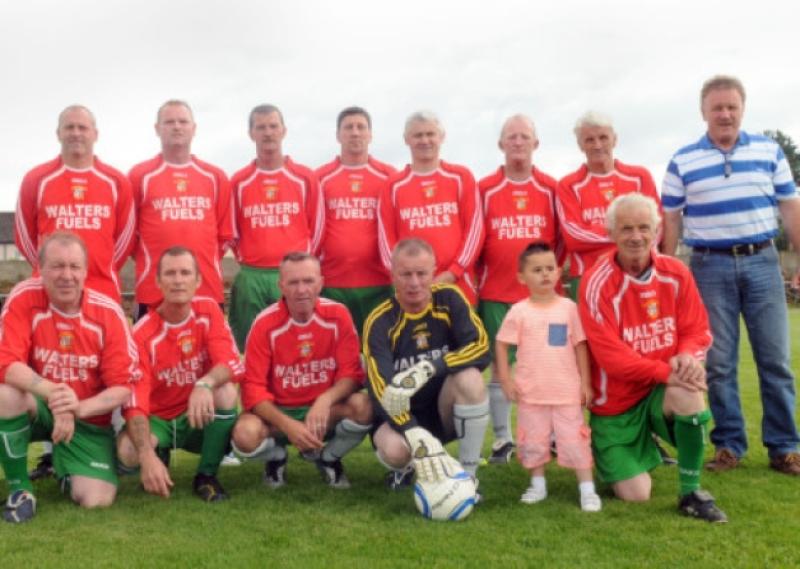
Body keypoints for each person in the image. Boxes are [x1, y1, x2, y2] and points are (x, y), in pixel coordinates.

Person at [662, 74, 800, 476]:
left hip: (762, 262)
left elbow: (791, 208)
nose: (724, 114)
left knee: (775, 360)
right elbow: (670, 219)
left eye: (731, 107)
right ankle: (729, 445)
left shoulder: (769, 151)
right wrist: (664, 273)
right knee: (718, 363)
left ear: (742, 109)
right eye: (717, 107)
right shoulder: (683, 160)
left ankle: (785, 448)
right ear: (703, 112)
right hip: (709, 266)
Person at [579, 193, 727, 522]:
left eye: (644, 227)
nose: (636, 236)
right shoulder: (596, 282)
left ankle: (691, 492)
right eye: (626, 228)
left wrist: (687, 357)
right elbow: (610, 358)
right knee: (636, 495)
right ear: (611, 233)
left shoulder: (676, 272)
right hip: (616, 405)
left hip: (660, 393)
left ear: (657, 231)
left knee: (688, 391)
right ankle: (623, 449)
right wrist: (667, 372)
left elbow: (697, 329)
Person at [15, 106, 136, 479]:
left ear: (95, 133)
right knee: (50, 364)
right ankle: (53, 450)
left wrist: (93, 274)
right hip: (50, 292)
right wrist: (54, 274)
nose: (76, 133)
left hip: (100, 291)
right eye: (69, 127)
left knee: (101, 372)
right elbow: (24, 237)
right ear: (58, 133)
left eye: (83, 127)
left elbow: (126, 238)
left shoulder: (116, 180)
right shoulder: (38, 179)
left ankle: (108, 440)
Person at [0, 232, 138, 523]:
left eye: (74, 267)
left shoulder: (108, 311)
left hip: (88, 420)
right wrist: (55, 394)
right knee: (6, 394)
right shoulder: (24, 297)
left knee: (97, 500)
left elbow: (123, 387)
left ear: (86, 271)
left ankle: (65, 468)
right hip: (40, 407)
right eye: (57, 266)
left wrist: (77, 408)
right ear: (41, 269)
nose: (66, 275)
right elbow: (6, 362)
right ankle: (20, 489)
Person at [231, 252, 371, 489]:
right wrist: (288, 426)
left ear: (321, 283)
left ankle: (329, 458)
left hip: (325, 414)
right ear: (281, 285)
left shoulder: (338, 315)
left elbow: (352, 374)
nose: (301, 290)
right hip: (279, 414)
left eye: (308, 281)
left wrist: (324, 401)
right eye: (293, 282)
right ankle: (276, 458)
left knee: (365, 407)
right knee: (245, 434)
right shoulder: (265, 324)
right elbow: (252, 390)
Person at [117, 247, 243, 502]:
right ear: (158, 281)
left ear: (197, 280)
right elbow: (135, 401)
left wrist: (204, 383)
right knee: (129, 453)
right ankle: (158, 453)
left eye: (185, 273)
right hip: (160, 419)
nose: (178, 280)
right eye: (170, 273)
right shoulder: (142, 334)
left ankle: (206, 476)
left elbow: (232, 362)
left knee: (226, 390)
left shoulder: (208, 311)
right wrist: (146, 455)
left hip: (197, 414)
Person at [364, 238, 490, 490]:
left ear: (434, 271)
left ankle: (468, 477)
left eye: (421, 273)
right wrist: (411, 430)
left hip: (443, 410)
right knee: (396, 452)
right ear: (393, 275)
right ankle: (407, 467)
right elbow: (382, 390)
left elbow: (481, 348)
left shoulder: (450, 298)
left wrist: (432, 367)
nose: (414, 283)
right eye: (405, 274)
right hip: (399, 417)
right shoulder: (379, 321)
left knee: (471, 379)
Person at [477, 114, 561, 464]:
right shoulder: (484, 189)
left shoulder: (551, 188)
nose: (517, 142)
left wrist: (551, 279)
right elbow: (476, 239)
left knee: (552, 364)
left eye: (524, 136)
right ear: (500, 144)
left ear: (535, 144)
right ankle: (502, 440)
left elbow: (563, 241)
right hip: (498, 294)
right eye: (511, 137)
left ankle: (554, 435)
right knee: (501, 368)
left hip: (544, 300)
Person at [495, 242, 600, 511]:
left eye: (550, 268)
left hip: (566, 391)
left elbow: (580, 345)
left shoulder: (568, 308)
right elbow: (502, 343)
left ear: (558, 273)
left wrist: (585, 383)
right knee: (533, 441)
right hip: (531, 393)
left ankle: (587, 490)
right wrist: (506, 380)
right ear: (522, 277)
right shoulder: (519, 311)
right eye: (537, 270)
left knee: (575, 440)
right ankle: (537, 485)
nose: (545, 274)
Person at [229, 104, 324, 350]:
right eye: (261, 127)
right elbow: (232, 230)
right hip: (252, 274)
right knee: (250, 346)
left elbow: (317, 226)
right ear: (251, 133)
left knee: (297, 344)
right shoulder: (239, 181)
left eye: (273, 126)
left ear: (284, 130)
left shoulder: (304, 177)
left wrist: (302, 264)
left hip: (294, 275)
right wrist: (248, 260)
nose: (268, 133)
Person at [129, 100, 234, 320]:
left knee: (209, 354)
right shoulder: (139, 176)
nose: (177, 126)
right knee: (150, 353)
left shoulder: (215, 177)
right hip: (153, 291)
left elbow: (223, 238)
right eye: (169, 122)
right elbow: (129, 239)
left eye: (183, 121)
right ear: (157, 129)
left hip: (206, 290)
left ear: (193, 128)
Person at [377, 111, 484, 305]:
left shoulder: (461, 177)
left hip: (458, 283)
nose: (425, 140)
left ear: (441, 137)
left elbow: (474, 232)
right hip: (412, 288)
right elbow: (386, 241)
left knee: (464, 335)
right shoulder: (393, 185)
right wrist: (407, 278)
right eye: (418, 135)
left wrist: (454, 272)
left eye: (430, 134)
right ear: (406, 139)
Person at [556, 111, 660, 300]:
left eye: (603, 137)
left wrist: (629, 246)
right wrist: (630, 235)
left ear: (614, 140)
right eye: (589, 140)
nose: (597, 145)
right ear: (580, 145)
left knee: (641, 329)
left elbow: (656, 227)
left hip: (639, 271)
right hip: (590, 274)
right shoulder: (568, 185)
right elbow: (573, 236)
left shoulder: (639, 177)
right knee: (594, 330)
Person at [316, 107, 397, 336]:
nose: (355, 133)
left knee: (379, 349)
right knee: (337, 351)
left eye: (361, 127)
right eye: (348, 127)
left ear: (370, 135)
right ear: (338, 135)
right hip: (332, 283)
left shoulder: (389, 176)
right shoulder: (320, 178)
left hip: (379, 282)